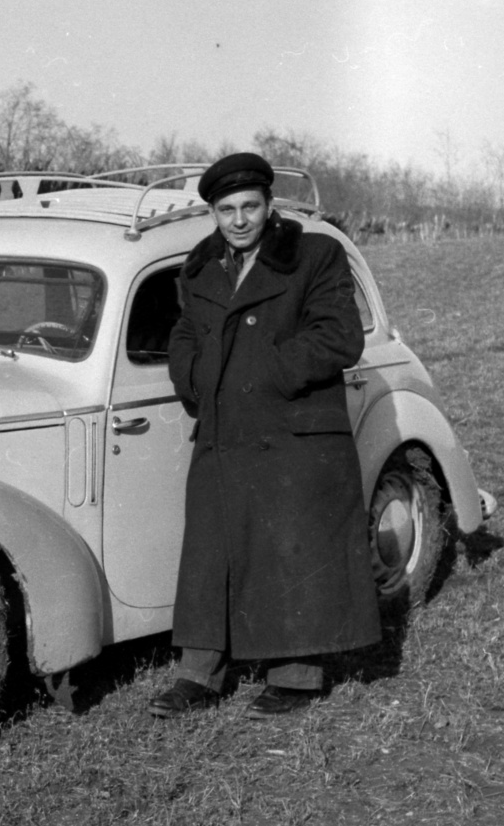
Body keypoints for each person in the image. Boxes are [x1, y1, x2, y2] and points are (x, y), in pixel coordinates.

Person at [150, 152, 379, 719]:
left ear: (269, 205)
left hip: (293, 430)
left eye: (250, 206)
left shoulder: (314, 253)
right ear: (213, 214)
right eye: (226, 210)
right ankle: (199, 673)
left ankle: (296, 676)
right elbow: (182, 332)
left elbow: (339, 336)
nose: (239, 220)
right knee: (212, 553)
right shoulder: (201, 266)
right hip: (225, 431)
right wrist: (193, 377)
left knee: (292, 550)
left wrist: (268, 373)